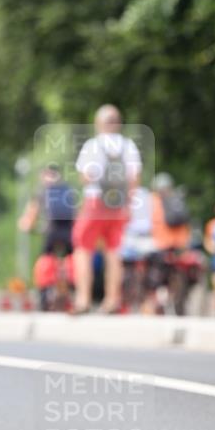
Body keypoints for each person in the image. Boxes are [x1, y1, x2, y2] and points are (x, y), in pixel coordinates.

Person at [72, 104, 142, 314]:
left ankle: (83, 299)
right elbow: (134, 179)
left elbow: (84, 177)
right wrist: (128, 205)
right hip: (118, 205)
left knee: (83, 249)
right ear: (118, 123)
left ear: (99, 123)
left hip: (95, 203)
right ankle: (112, 300)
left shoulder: (93, 145)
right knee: (113, 252)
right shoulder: (128, 146)